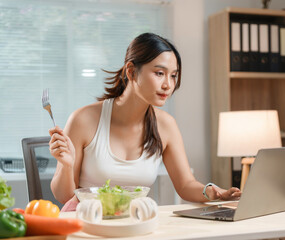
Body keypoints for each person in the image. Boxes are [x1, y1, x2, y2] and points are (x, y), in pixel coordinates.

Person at [49, 32, 241, 211]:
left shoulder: (166, 125)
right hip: (89, 224)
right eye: (159, 73)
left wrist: (210, 192)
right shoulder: (83, 120)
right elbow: (65, 196)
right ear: (131, 71)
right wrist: (66, 166)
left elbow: (185, 185)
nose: (168, 84)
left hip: (136, 225)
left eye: (173, 75)